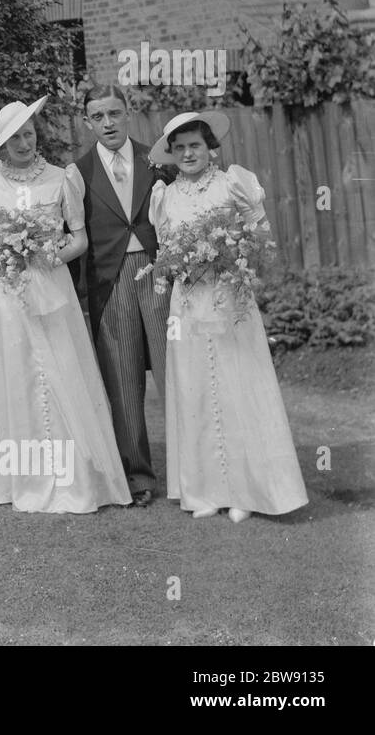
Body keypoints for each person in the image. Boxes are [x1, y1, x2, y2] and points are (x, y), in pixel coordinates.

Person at [0, 97, 132, 513]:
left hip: (53, 289)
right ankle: (26, 477)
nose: (23, 143)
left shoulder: (62, 178)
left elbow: (79, 239)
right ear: (1, 145)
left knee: (63, 370)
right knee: (19, 374)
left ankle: (78, 476)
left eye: (28, 133)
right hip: (10, 294)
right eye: (13, 137)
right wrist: (5, 255)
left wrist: (47, 257)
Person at [147, 112, 307, 522]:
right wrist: (178, 263)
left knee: (238, 387)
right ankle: (204, 492)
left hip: (229, 301)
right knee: (195, 389)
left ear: (209, 146)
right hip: (188, 304)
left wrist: (232, 255)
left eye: (194, 145)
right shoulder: (165, 196)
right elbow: (163, 255)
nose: (187, 153)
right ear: (171, 152)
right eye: (179, 147)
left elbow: (261, 235)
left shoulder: (233, 183)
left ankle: (245, 492)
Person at [73, 83, 171, 507]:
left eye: (114, 113)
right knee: (123, 377)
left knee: (174, 373)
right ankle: (138, 476)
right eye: (99, 116)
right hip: (109, 280)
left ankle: (194, 470)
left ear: (128, 113)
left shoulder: (157, 160)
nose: (108, 123)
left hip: (158, 273)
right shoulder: (78, 172)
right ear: (88, 122)